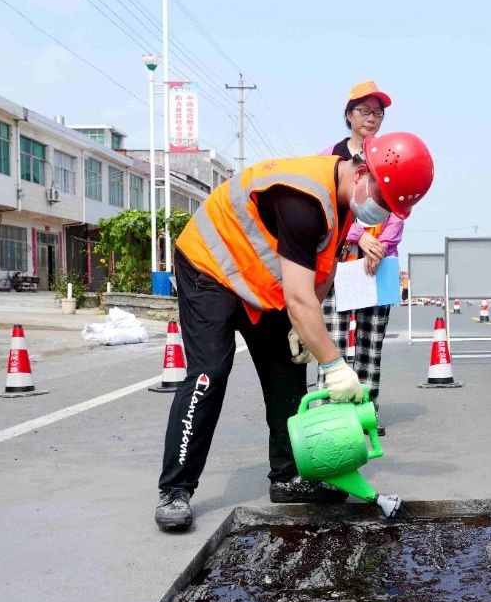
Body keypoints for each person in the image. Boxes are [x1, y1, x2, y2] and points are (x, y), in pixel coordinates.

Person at [153, 132, 435, 532]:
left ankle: (287, 477)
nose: (382, 211)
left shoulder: (344, 203)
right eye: (382, 200)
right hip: (210, 269)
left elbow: (322, 268)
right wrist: (335, 365)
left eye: (391, 208)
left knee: (286, 372)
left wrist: (307, 326)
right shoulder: (303, 199)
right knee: (209, 373)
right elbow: (298, 297)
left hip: (261, 281)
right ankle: (175, 489)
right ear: (360, 172)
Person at [320, 81, 404, 436]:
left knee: (371, 341)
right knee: (333, 337)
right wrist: (357, 239)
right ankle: (331, 408)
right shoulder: (331, 156)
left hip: (379, 261)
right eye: (364, 111)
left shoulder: (390, 154)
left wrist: (380, 245)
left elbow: (401, 206)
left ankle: (367, 410)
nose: (371, 118)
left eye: (378, 112)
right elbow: (327, 204)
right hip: (339, 261)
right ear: (349, 115)